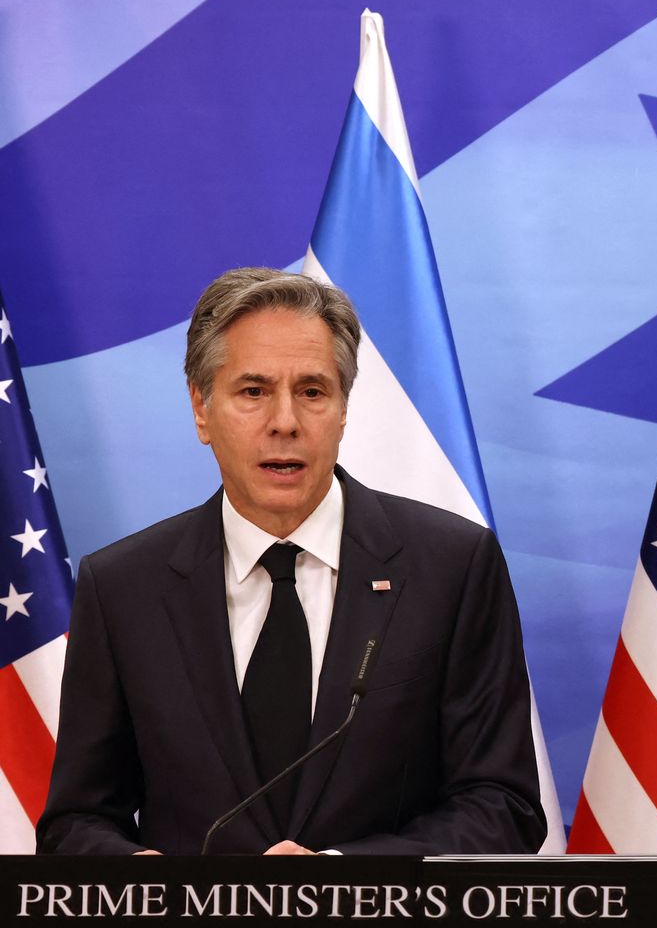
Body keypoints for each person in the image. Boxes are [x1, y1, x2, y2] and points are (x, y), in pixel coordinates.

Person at [38, 268, 544, 855]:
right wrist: (139, 873)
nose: (285, 422)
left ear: (343, 409)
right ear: (202, 409)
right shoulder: (124, 586)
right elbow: (74, 823)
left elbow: (502, 805)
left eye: (312, 391)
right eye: (253, 392)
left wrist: (341, 878)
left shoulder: (451, 567)